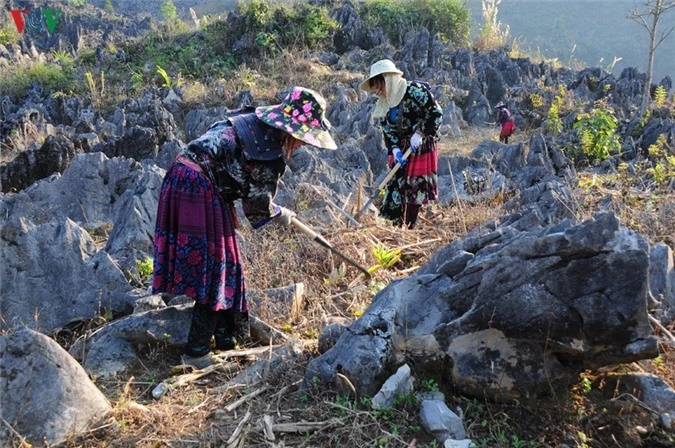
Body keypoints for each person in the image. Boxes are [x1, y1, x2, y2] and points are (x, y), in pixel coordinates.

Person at [151, 87, 337, 368]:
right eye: (302, 139)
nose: (302, 145)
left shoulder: (248, 120)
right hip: (201, 188)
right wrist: (280, 212)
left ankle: (226, 339)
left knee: (228, 265)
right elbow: (257, 206)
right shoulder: (269, 152)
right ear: (291, 132)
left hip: (179, 177)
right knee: (216, 271)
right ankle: (196, 352)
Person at [360, 59, 443, 228]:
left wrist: (420, 133)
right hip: (402, 150)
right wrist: (395, 149)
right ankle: (395, 226)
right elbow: (387, 129)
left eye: (379, 85)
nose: (378, 91)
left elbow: (436, 113)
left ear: (388, 80)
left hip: (420, 146)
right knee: (396, 189)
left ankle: (408, 227)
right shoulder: (384, 103)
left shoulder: (415, 91)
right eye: (376, 87)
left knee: (413, 190)